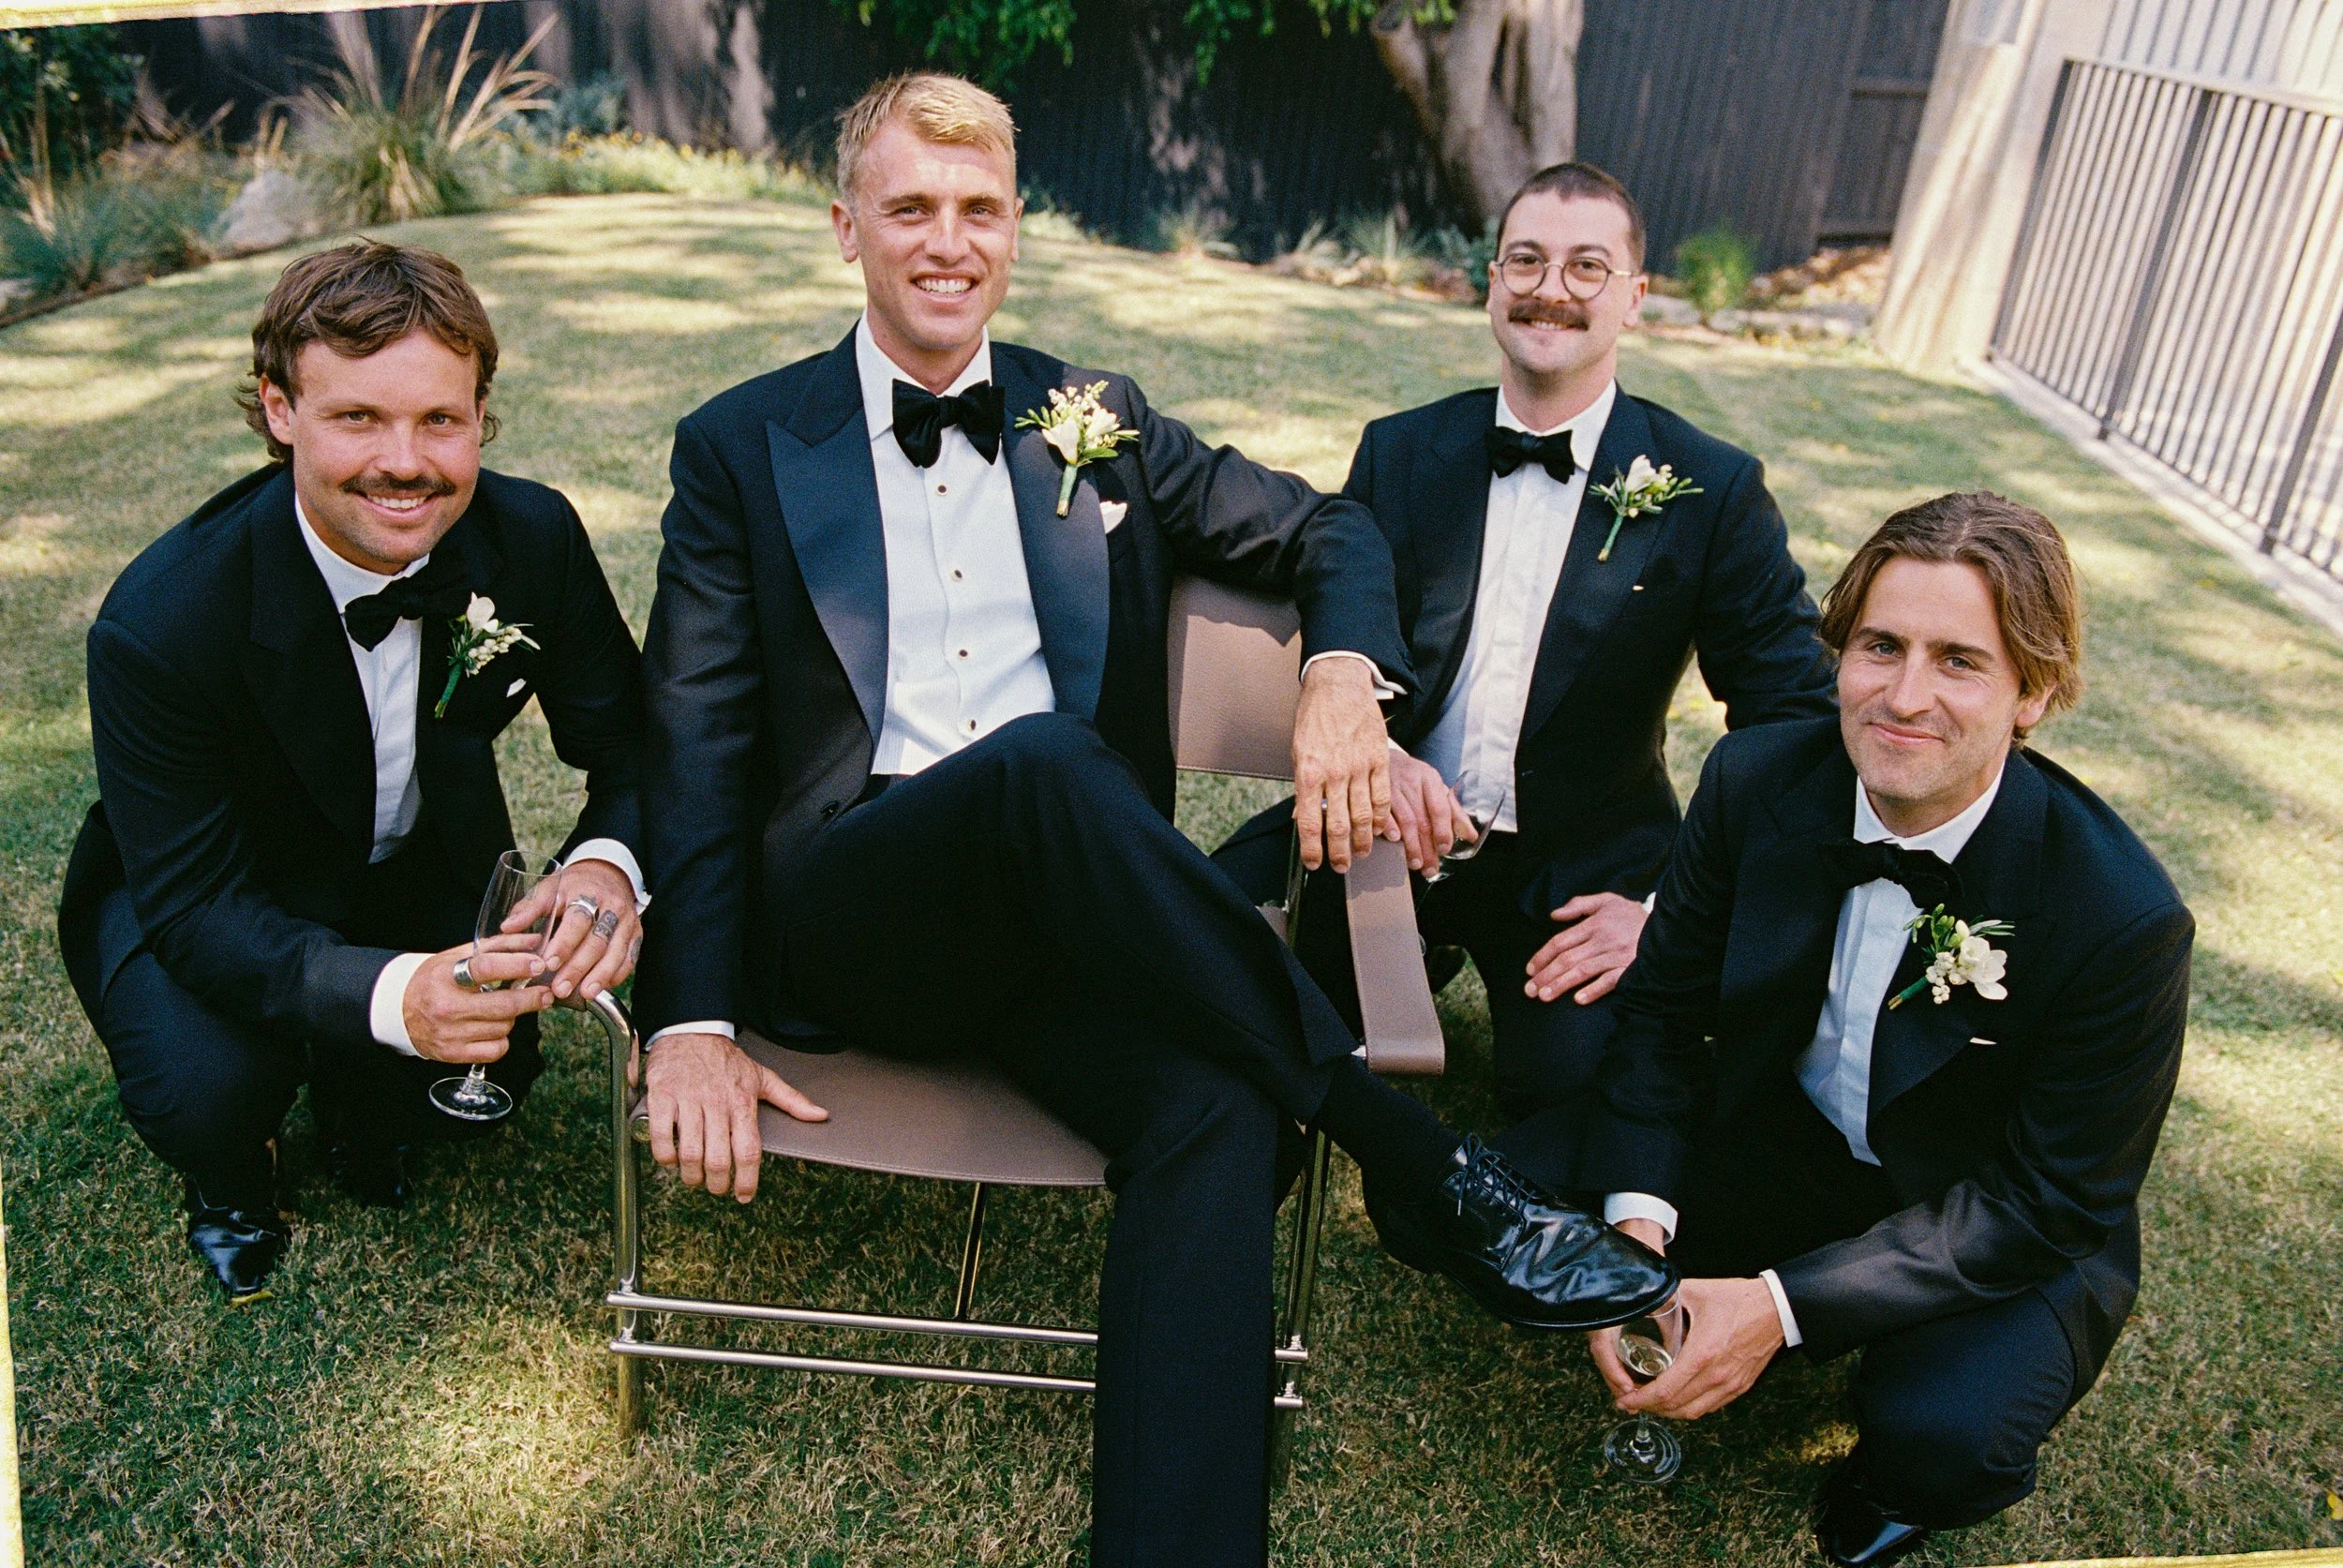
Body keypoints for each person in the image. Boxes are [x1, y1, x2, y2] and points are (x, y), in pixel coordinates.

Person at [634, 72, 1672, 1568]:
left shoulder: (1093, 419)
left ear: (1013, 232)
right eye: (912, 207)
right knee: (1050, 765)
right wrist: (692, 1017)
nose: (947, 241)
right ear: (845, 224)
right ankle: (1416, 1157)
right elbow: (692, 741)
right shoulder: (741, 446)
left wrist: (1338, 676)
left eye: (979, 210)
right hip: (864, 919)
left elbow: (1333, 523)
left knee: (1218, 1107)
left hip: (1076, 927)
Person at [1545, 493, 2191, 1565]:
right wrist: (1635, 1227)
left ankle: (1880, 1455)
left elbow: (2052, 1197)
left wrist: (1784, 1306)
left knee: (1944, 1437)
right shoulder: (1755, 779)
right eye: (1879, 646)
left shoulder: (2121, 917)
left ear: (2033, 692)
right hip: (1787, 1142)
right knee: (1500, 1218)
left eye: (1959, 662)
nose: (1903, 696)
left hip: (1982, 1204)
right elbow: (1660, 1017)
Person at [57, 242, 647, 1305]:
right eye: (357, 418)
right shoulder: (161, 622)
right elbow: (195, 904)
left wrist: (606, 863)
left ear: (480, 418)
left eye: (439, 419)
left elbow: (636, 747)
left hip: (409, 864)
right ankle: (236, 1175)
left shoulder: (532, 539)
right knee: (209, 1092)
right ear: (281, 410)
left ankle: (364, 1095)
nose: (405, 462)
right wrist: (393, 994)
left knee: (479, 1084)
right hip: (220, 888)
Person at [1214, 162, 1835, 1140]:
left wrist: (1668, 908)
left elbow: (1798, 719)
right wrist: (1381, 748)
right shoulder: (1399, 448)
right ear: (1491, 282)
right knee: (1211, 961)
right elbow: (1347, 609)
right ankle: (1404, 946)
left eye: (1588, 267)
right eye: (1528, 261)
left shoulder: (1710, 490)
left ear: (1634, 297)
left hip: (1584, 861)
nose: (1552, 288)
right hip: (1386, 817)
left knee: (1574, 1102)